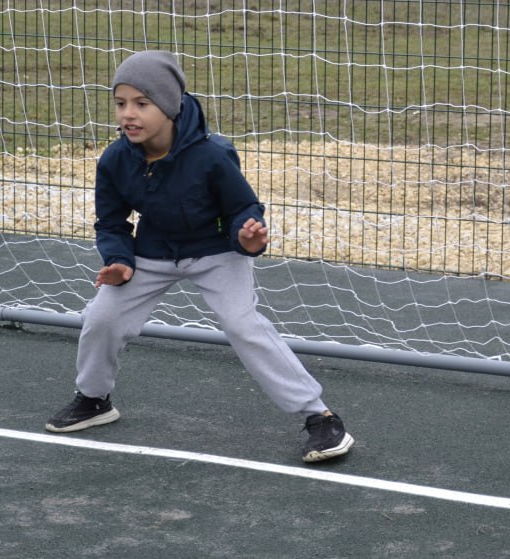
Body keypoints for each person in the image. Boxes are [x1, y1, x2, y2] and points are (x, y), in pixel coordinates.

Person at [46, 50, 354, 463]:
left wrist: (249, 238)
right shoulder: (115, 159)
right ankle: (94, 399)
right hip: (152, 253)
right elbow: (112, 223)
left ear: (170, 106)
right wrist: (119, 260)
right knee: (102, 317)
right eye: (120, 104)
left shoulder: (212, 154)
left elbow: (244, 209)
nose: (128, 114)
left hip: (215, 253)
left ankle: (321, 418)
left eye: (142, 103)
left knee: (242, 324)